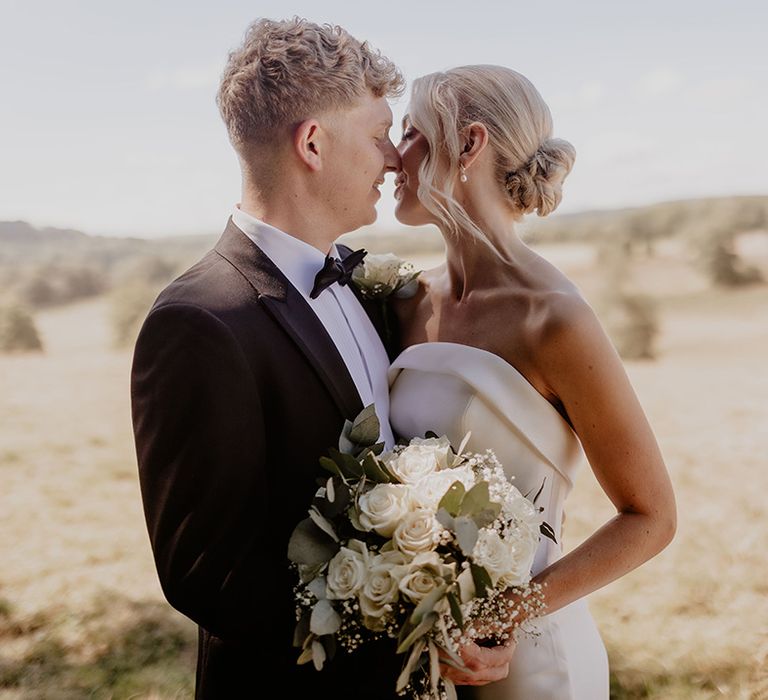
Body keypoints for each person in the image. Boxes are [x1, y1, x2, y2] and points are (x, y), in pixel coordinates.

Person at [130, 17, 405, 699]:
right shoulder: (199, 322)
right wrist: (404, 621)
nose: (395, 158)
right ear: (313, 143)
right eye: (379, 136)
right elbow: (206, 572)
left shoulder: (372, 285)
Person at [387, 65, 677, 699]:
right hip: (420, 652)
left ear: (468, 145)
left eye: (411, 133)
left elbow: (651, 517)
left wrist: (501, 618)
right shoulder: (404, 300)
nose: (391, 155)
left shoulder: (554, 318)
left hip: (530, 661)